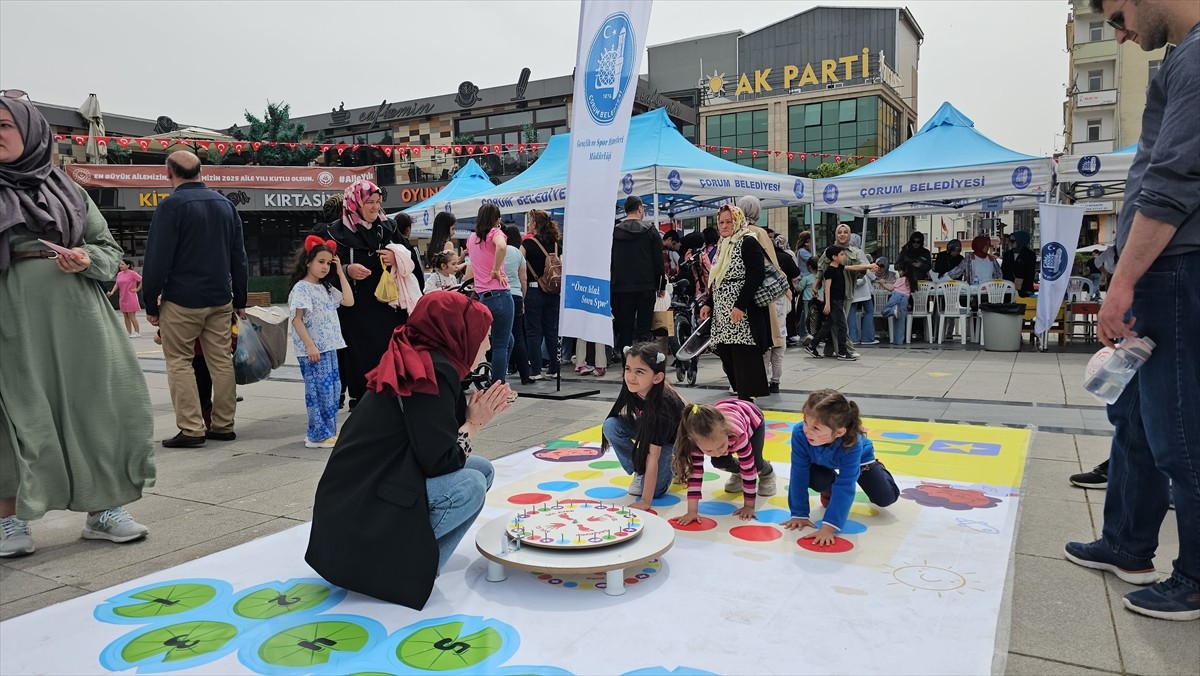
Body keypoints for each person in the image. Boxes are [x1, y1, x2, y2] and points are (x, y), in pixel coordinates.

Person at [1065, 0, 1200, 622]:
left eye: (1118, 16)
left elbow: (1174, 179)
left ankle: (1193, 578)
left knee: (1180, 433)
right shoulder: (1180, 57)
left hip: (1174, 265)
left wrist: (1122, 282)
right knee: (1136, 421)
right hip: (1162, 267)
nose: (1119, 34)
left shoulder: (1195, 57)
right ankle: (1126, 543)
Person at [1, 97, 154, 557]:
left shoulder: (67, 190)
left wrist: (87, 258)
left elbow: (107, 249)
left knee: (96, 406)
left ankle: (103, 510)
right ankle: (8, 519)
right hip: (10, 317)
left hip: (79, 317)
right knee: (12, 414)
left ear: (31, 132)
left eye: (4, 125)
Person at [305, 292, 514, 610]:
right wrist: (474, 423)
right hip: (360, 517)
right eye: (482, 334)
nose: (486, 345)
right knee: (469, 485)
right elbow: (440, 462)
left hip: (354, 505)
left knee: (481, 469)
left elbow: (432, 438)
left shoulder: (421, 360)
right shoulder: (429, 373)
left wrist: (470, 414)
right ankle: (398, 569)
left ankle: (418, 565)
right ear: (458, 333)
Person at [142, 150, 248, 448]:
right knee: (221, 361)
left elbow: (157, 259)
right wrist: (240, 299)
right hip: (220, 299)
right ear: (202, 171)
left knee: (179, 362)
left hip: (182, 299)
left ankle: (192, 428)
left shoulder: (171, 206)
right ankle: (223, 425)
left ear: (168, 174)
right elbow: (239, 257)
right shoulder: (226, 205)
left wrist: (150, 303)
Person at [312, 179, 411, 410]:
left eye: (378, 202)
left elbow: (411, 256)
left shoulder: (388, 228)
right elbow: (318, 267)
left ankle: (391, 397)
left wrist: (397, 257)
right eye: (370, 202)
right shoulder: (335, 233)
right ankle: (363, 402)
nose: (376, 207)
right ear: (355, 203)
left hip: (389, 308)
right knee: (360, 357)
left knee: (389, 352)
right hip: (355, 311)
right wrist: (346, 270)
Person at [783, 389, 899, 546]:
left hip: (861, 461)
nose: (807, 431)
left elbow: (845, 485)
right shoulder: (799, 433)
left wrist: (829, 527)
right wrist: (799, 514)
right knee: (815, 478)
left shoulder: (853, 443)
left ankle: (878, 469)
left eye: (815, 428)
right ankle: (829, 485)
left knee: (885, 498)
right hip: (820, 460)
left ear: (839, 432)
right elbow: (798, 473)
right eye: (805, 422)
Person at [288, 236, 354, 449]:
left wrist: (340, 272)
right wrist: (310, 345)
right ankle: (317, 435)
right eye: (321, 262)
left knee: (333, 391)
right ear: (308, 262)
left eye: (328, 263)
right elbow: (296, 319)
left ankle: (328, 432)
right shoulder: (302, 288)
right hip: (314, 350)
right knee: (319, 393)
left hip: (329, 347)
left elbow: (349, 301)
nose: (325, 267)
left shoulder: (325, 287)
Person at [601, 343, 685, 511]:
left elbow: (653, 455)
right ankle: (639, 470)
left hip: (671, 442)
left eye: (639, 371)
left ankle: (676, 463)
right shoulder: (634, 387)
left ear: (657, 377)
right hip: (647, 426)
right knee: (611, 425)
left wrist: (646, 501)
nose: (631, 377)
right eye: (628, 369)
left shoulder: (663, 404)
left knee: (656, 491)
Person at [700, 205, 771, 400]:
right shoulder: (723, 245)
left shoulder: (748, 241)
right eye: (721, 222)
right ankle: (740, 390)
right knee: (725, 350)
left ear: (738, 221)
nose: (724, 226)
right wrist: (709, 303)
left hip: (741, 312)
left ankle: (747, 396)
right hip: (723, 312)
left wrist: (740, 305)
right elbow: (719, 279)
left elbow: (756, 274)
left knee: (743, 353)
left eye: (729, 222)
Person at [672, 399, 777, 525]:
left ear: (727, 433)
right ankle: (738, 474)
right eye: (708, 451)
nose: (717, 453)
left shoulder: (738, 434)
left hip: (753, 417)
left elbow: (748, 469)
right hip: (724, 420)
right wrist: (691, 511)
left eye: (721, 446)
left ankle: (767, 473)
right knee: (719, 462)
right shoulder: (695, 443)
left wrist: (749, 506)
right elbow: (695, 475)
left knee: (754, 463)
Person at [611, 197, 665, 358]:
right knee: (644, 329)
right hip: (646, 286)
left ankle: (626, 364)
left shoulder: (614, 232)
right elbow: (658, 261)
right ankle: (644, 363)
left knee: (625, 328)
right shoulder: (651, 231)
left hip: (621, 288)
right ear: (640, 208)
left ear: (626, 210)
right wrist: (661, 285)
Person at [466, 204, 513, 385]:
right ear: (497, 219)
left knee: (507, 340)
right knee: (501, 344)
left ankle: (497, 376)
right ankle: (497, 385)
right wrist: (495, 269)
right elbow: (502, 247)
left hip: (482, 297)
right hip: (500, 294)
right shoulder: (495, 233)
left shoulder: (472, 238)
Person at [804, 245, 874, 361]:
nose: (844, 256)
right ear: (834, 257)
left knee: (828, 325)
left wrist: (869, 266)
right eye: (841, 254)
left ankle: (812, 346)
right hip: (834, 302)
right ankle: (842, 352)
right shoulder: (830, 271)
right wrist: (827, 304)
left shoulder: (840, 267)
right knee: (842, 326)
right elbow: (827, 288)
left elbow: (854, 267)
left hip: (838, 301)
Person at [816, 224, 869, 357]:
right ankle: (846, 349)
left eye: (845, 232)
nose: (842, 235)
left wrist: (866, 268)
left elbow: (861, 270)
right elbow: (821, 269)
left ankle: (826, 348)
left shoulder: (855, 252)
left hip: (847, 292)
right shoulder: (829, 251)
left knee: (834, 321)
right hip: (832, 294)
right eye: (840, 232)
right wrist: (815, 285)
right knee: (839, 323)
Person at [521, 209, 562, 380]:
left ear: (535, 224)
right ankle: (554, 367)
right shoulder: (555, 244)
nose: (528, 225)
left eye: (530, 222)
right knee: (551, 330)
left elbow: (520, 265)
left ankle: (536, 369)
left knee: (533, 331)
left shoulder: (527, 244)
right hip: (553, 291)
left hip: (533, 290)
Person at [765, 233, 802, 392]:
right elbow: (788, 310)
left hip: (767, 332)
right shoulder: (785, 292)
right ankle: (775, 383)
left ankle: (764, 382)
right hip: (781, 332)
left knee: (765, 358)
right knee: (778, 359)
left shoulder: (764, 293)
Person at [502, 225, 532, 385]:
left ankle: (501, 373)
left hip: (500, 294)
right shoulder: (517, 253)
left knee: (500, 337)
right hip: (516, 295)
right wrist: (523, 297)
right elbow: (523, 279)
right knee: (518, 335)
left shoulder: (494, 251)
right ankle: (525, 374)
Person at [847, 234, 878, 346]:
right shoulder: (859, 252)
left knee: (851, 313)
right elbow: (867, 268)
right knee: (869, 311)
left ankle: (853, 338)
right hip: (863, 288)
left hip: (851, 286)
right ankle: (867, 337)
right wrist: (874, 278)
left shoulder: (845, 252)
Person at [879, 258, 917, 346]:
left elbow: (891, 288)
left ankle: (894, 310)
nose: (898, 272)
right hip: (905, 299)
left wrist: (882, 284)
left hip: (897, 296)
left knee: (884, 311)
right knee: (900, 320)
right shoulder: (910, 280)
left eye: (900, 270)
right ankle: (899, 341)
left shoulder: (901, 279)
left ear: (905, 271)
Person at [108, 259, 143, 338]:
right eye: (120, 264)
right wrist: (112, 292)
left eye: (122, 264)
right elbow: (117, 284)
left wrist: (137, 289)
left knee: (131, 315)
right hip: (122, 297)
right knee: (125, 315)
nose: (120, 266)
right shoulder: (119, 274)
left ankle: (137, 332)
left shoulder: (132, 273)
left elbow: (142, 280)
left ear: (128, 265)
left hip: (131, 297)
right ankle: (129, 332)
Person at [1002, 231, 1037, 297]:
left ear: (1020, 240)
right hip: (1008, 288)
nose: (1010, 243)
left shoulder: (1029, 255)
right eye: (1009, 241)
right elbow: (1003, 271)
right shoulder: (1007, 254)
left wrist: (1028, 289)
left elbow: (1030, 273)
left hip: (1024, 289)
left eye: (1012, 241)